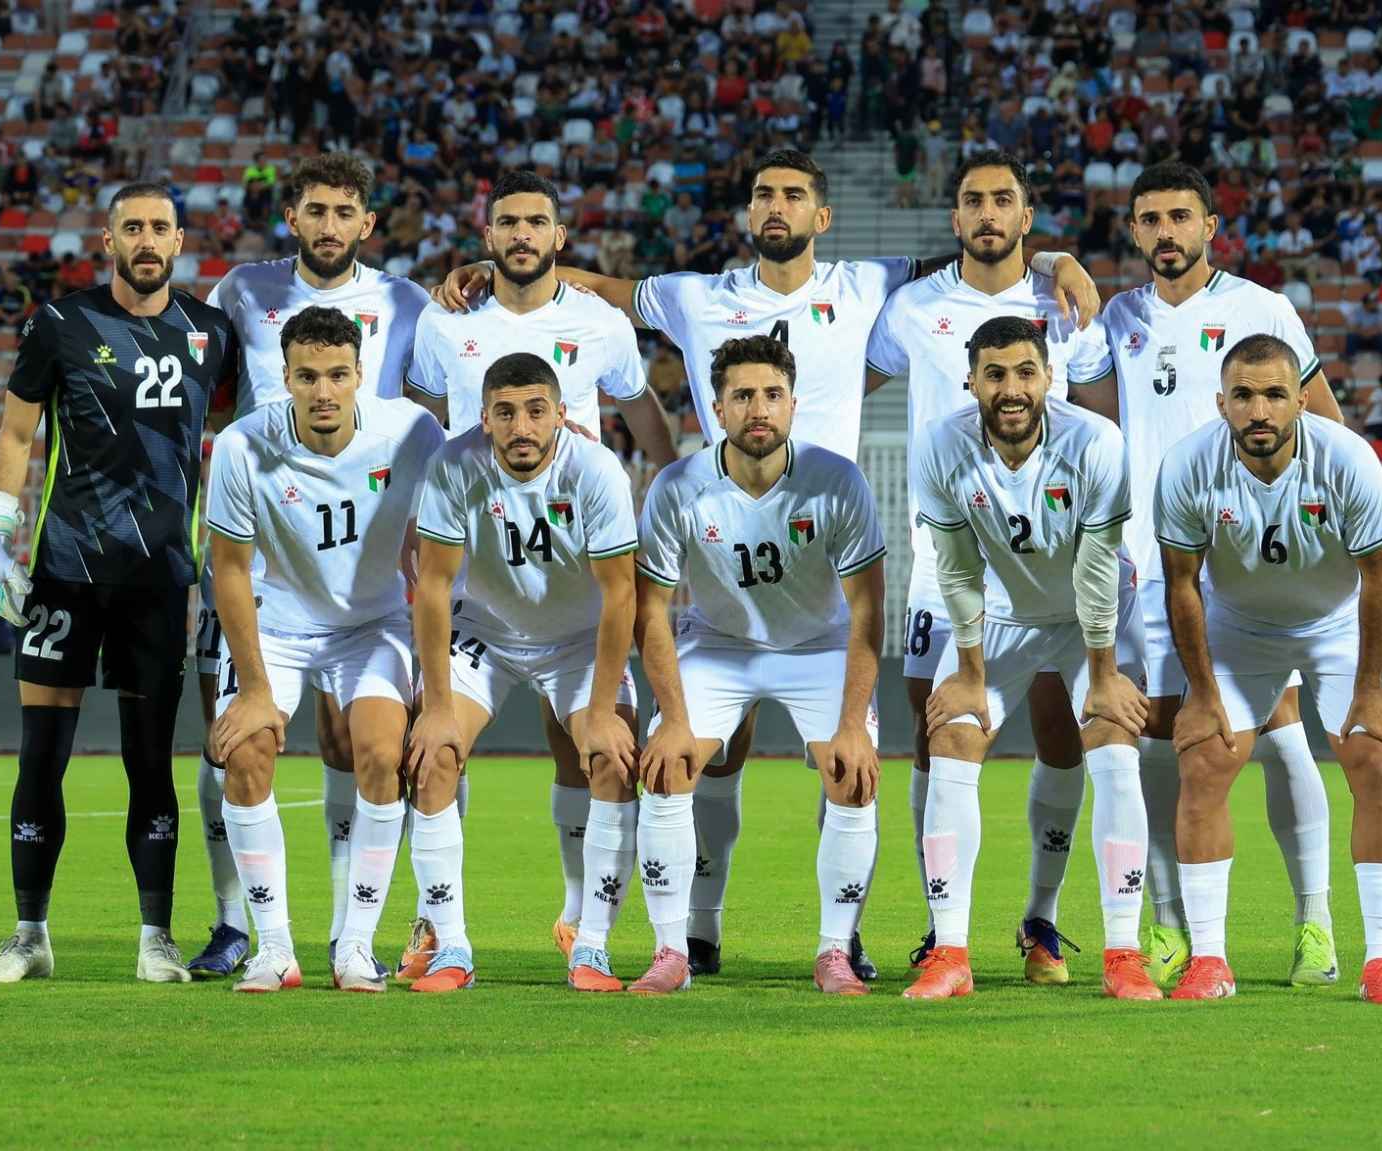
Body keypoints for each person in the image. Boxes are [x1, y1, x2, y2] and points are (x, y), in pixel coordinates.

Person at [435, 148, 1099, 979]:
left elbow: (973, 253)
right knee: (709, 753)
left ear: (823, 216)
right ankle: (693, 934)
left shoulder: (866, 286)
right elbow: (603, 289)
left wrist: (1055, 258)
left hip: (821, 567)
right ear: (748, 211)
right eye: (762, 194)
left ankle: (843, 940)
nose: (776, 206)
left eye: (792, 194)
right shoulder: (697, 296)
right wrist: (502, 267)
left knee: (850, 761)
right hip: (721, 567)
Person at [1073, 162, 1350, 990]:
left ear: (1210, 227)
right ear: (1133, 231)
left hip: (1249, 557)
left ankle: (1315, 922)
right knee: (1169, 737)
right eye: (1150, 218)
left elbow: (1327, 426)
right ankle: (1170, 924)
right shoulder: (1118, 318)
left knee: (1281, 730)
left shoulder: (1262, 310)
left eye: (1180, 216)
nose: (1166, 232)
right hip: (1154, 561)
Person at [403, 170, 675, 975]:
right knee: (432, 745)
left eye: (537, 221)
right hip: (480, 592)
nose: (522, 234)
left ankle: (585, 927)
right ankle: (442, 934)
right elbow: (416, 422)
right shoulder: (445, 322)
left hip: (573, 588)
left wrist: (674, 485)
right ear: (487, 236)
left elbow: (638, 410)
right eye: (508, 222)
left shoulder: (598, 327)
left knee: (597, 751)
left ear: (560, 236)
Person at [0, 182, 236, 985]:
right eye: (133, 227)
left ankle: (156, 938)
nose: (147, 240)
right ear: (107, 239)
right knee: (40, 757)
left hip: (161, 579)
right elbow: (17, 432)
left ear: (180, 240)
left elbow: (236, 437)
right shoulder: (60, 323)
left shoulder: (212, 333)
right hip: (65, 573)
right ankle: (29, 935)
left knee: (150, 762)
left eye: (160, 227)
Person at [866, 150, 1120, 981]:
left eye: (1002, 199)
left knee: (1060, 733)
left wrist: (1060, 263)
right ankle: (942, 927)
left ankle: (1041, 920)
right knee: (938, 735)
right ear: (955, 218)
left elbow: (1101, 419)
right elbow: (845, 381)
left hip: (1048, 562)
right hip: (941, 557)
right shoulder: (913, 308)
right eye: (972, 200)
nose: (987, 212)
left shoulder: (1066, 305)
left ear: (1025, 216)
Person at [186, 153, 430, 980]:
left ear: (363, 373)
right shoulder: (242, 441)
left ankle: (354, 943)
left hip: (370, 621)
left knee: (379, 752)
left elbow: (439, 548)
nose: (323, 391)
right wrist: (256, 685)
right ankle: (272, 946)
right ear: (280, 376)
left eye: (337, 376)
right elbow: (228, 568)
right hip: (276, 616)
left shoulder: (409, 428)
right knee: (244, 748)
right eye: (306, 377)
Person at [1155, 334, 1382, 1004]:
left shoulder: (1348, 460)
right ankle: (1209, 961)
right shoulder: (1187, 465)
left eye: (1274, 394)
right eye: (1243, 395)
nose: (1259, 410)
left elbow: (1380, 575)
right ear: (1221, 403)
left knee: (1375, 760)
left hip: (1338, 624)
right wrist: (1202, 693)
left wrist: (1370, 689)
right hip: (1240, 628)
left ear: (1302, 399)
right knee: (1204, 761)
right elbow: (1182, 585)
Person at [909, 315, 1159, 1001]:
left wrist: (1103, 676)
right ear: (972, 382)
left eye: (1026, 372)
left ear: (1050, 376)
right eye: (994, 374)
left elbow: (1099, 566)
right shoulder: (942, 445)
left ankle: (1122, 951)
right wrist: (968, 672)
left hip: (1090, 617)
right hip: (1000, 615)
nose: (1011, 388)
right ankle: (950, 952)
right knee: (951, 737)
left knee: (1113, 744)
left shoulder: (1095, 441)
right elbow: (956, 566)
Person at [635, 336, 885, 995]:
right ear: (716, 409)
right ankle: (671, 950)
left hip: (819, 644)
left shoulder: (838, 480)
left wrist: (854, 724)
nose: (759, 408)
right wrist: (673, 719)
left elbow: (867, 609)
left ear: (794, 405)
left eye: (772, 394)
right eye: (742, 395)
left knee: (853, 773)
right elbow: (650, 608)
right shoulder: (678, 486)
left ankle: (835, 950)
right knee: (666, 767)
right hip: (719, 643)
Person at [409, 351, 640, 993]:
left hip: (575, 639)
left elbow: (621, 594)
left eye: (536, 411)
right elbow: (433, 586)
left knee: (613, 759)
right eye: (505, 413)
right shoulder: (454, 464)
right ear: (484, 418)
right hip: (486, 633)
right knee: (432, 755)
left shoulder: (595, 470)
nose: (522, 427)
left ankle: (591, 944)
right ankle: (450, 947)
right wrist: (435, 707)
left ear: (561, 414)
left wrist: (601, 711)